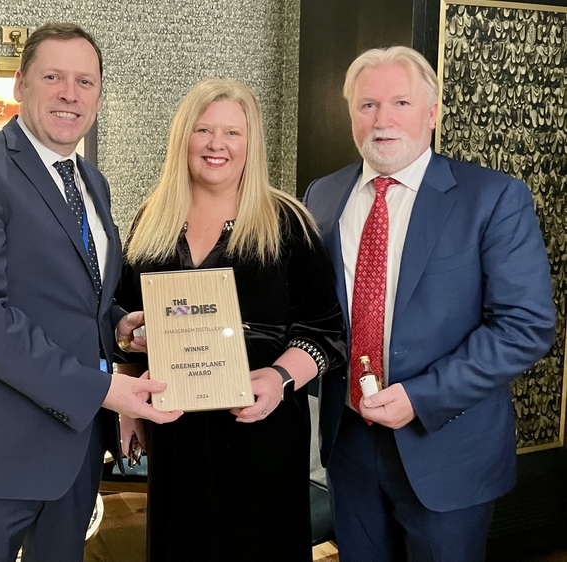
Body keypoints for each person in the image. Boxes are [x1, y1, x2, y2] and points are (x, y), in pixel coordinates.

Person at [0, 23, 180, 562]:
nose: (71, 93)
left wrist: (116, 323)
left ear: (98, 94)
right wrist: (102, 389)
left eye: (85, 81)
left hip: (74, 452)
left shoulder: (92, 180)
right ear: (20, 84)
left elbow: (80, 294)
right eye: (53, 77)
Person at [303, 46, 556, 562]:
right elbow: (311, 310)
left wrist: (421, 396)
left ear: (433, 113)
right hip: (348, 441)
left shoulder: (493, 198)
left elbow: (526, 325)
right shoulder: (323, 196)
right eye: (368, 105)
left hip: (447, 448)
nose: (383, 120)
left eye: (401, 103)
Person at [115, 78, 346, 562]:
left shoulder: (289, 224)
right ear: (184, 138)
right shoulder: (149, 221)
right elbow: (124, 326)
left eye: (232, 133)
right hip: (175, 434)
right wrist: (128, 408)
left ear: (251, 144)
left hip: (260, 433)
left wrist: (281, 378)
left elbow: (327, 334)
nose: (217, 144)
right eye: (203, 130)